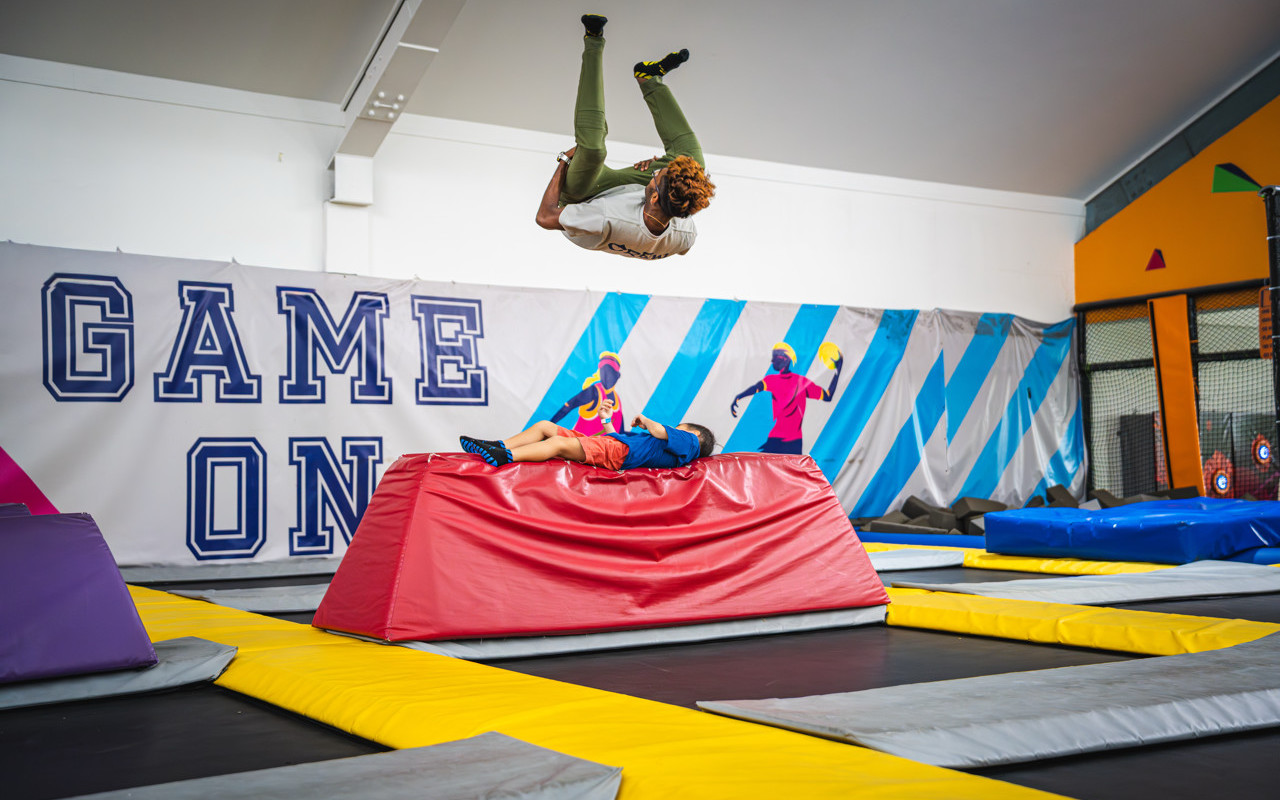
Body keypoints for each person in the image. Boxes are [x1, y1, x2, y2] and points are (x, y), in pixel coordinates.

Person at [535, 14, 716, 260]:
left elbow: (545, 217)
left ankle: (593, 39)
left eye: (656, 175)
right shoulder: (684, 234)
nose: (655, 171)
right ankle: (649, 78)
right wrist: (659, 169)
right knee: (693, 165)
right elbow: (681, 239)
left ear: (654, 196)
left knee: (593, 149)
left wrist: (564, 161)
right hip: (627, 193)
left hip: (585, 197)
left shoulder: (605, 218)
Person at [461, 401, 715, 470]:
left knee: (557, 442)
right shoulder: (671, 444)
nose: (674, 429)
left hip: (618, 453)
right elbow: (616, 438)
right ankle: (497, 445)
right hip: (614, 445)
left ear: (693, 432)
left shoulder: (691, 442)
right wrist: (606, 419)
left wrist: (645, 420)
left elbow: (657, 430)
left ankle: (505, 456)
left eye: (679, 426)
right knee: (545, 426)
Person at [730, 342, 843, 454]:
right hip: (777, 439)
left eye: (775, 357)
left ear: (785, 359)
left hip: (792, 442)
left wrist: (838, 371)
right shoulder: (772, 380)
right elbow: (756, 388)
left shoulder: (801, 382)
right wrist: (739, 397)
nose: (772, 361)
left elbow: (827, 396)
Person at [550, 351, 625, 434]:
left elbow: (620, 430)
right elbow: (567, 407)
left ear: (617, 376)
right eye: (603, 371)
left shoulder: (618, 400)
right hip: (580, 441)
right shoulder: (594, 391)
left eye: (610, 372)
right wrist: (549, 426)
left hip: (606, 442)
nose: (606, 375)